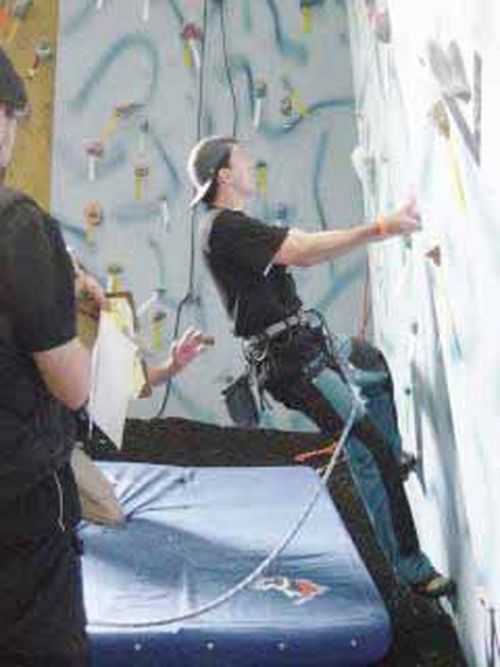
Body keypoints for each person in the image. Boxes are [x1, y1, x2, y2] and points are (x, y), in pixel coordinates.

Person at [186, 134, 455, 598]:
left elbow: (310, 250)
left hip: (305, 345)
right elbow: (305, 250)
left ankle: (392, 459)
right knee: (364, 450)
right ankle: (411, 570)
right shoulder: (223, 226)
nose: (252, 163)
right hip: (292, 363)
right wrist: (381, 228)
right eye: (243, 158)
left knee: (369, 367)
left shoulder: (231, 225)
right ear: (224, 175)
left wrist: (377, 231)